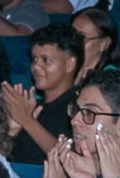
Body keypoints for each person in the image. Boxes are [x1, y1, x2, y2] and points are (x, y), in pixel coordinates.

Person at [4, 22, 83, 165]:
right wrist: (11, 131)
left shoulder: (80, 108)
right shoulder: (29, 106)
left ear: (69, 64)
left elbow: (72, 160)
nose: (36, 66)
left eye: (46, 60)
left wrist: (27, 120)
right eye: (34, 59)